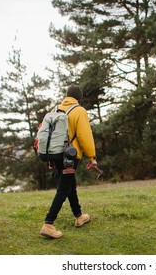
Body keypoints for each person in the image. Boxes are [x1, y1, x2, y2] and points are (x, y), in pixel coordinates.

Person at [40, 84, 97, 239]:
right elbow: (84, 136)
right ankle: (48, 223)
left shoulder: (55, 109)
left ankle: (79, 216)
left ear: (66, 96)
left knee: (70, 185)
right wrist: (92, 157)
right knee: (64, 188)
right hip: (70, 156)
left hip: (55, 154)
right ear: (79, 98)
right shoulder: (79, 111)